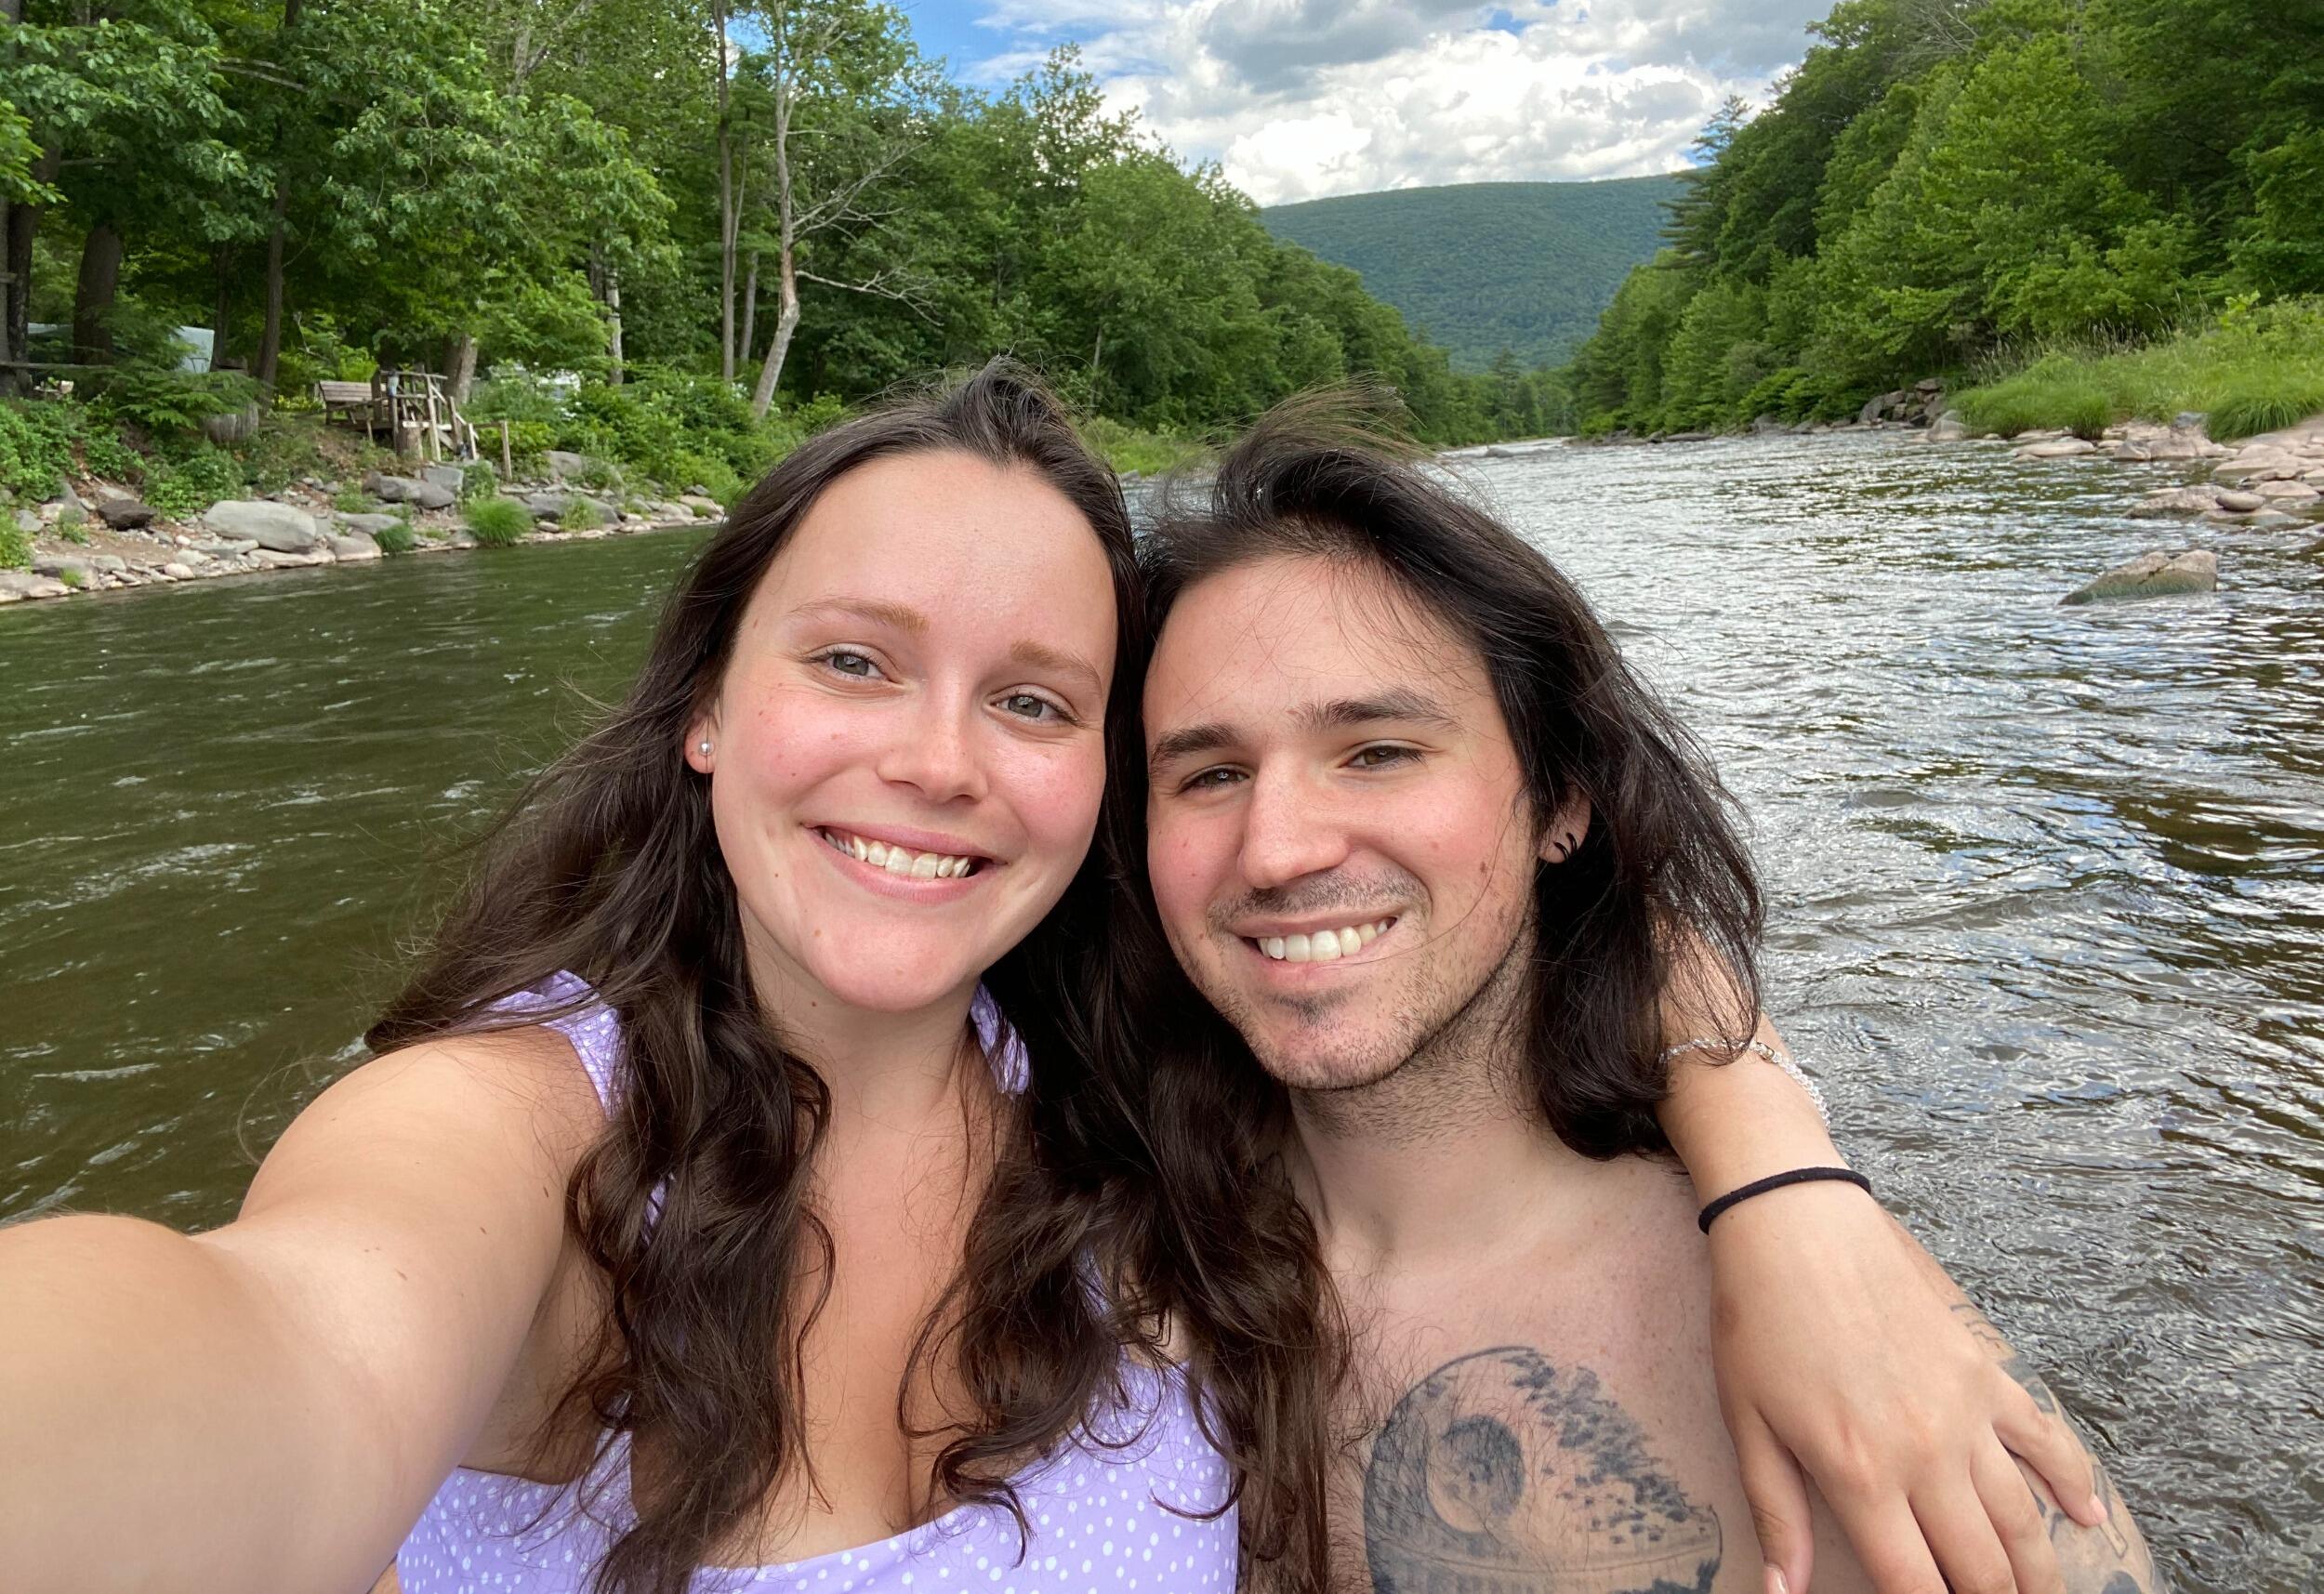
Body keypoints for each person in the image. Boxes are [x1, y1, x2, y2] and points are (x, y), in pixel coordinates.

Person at [0, 364, 2094, 1594]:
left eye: (1031, 696)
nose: (932, 756)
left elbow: (1540, 911)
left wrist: (1782, 1181)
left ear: (1078, 792)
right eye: (849, 659)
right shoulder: (527, 1138)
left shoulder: (1128, 1102)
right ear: (704, 709)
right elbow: (277, 1345)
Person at [1121, 402, 2168, 1594]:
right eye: (1208, 773)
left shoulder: (1818, 1339)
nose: (1276, 849)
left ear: (1563, 799)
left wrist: (1780, 1170)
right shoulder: (1095, 1238)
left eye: (1377, 751)